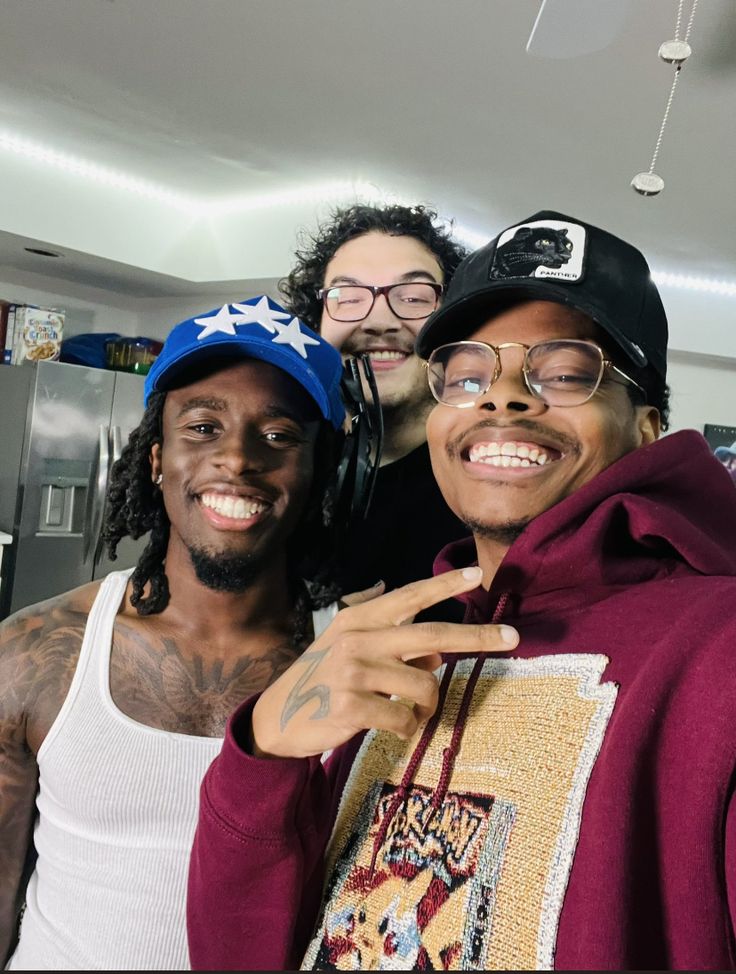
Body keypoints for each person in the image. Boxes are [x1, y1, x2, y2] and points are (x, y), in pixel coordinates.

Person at [187, 211, 736, 971]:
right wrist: (262, 754)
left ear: (646, 429)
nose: (501, 399)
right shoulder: (395, 637)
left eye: (567, 372)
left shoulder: (719, 649)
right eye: (466, 375)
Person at [0, 295, 349, 970]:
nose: (238, 459)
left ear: (315, 473)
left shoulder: (351, 664)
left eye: (278, 436)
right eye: (202, 428)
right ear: (157, 459)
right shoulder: (35, 652)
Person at [280, 203, 471, 620]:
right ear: (316, 323)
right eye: (347, 297)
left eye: (414, 297)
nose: (379, 320)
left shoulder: (490, 485)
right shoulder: (280, 470)